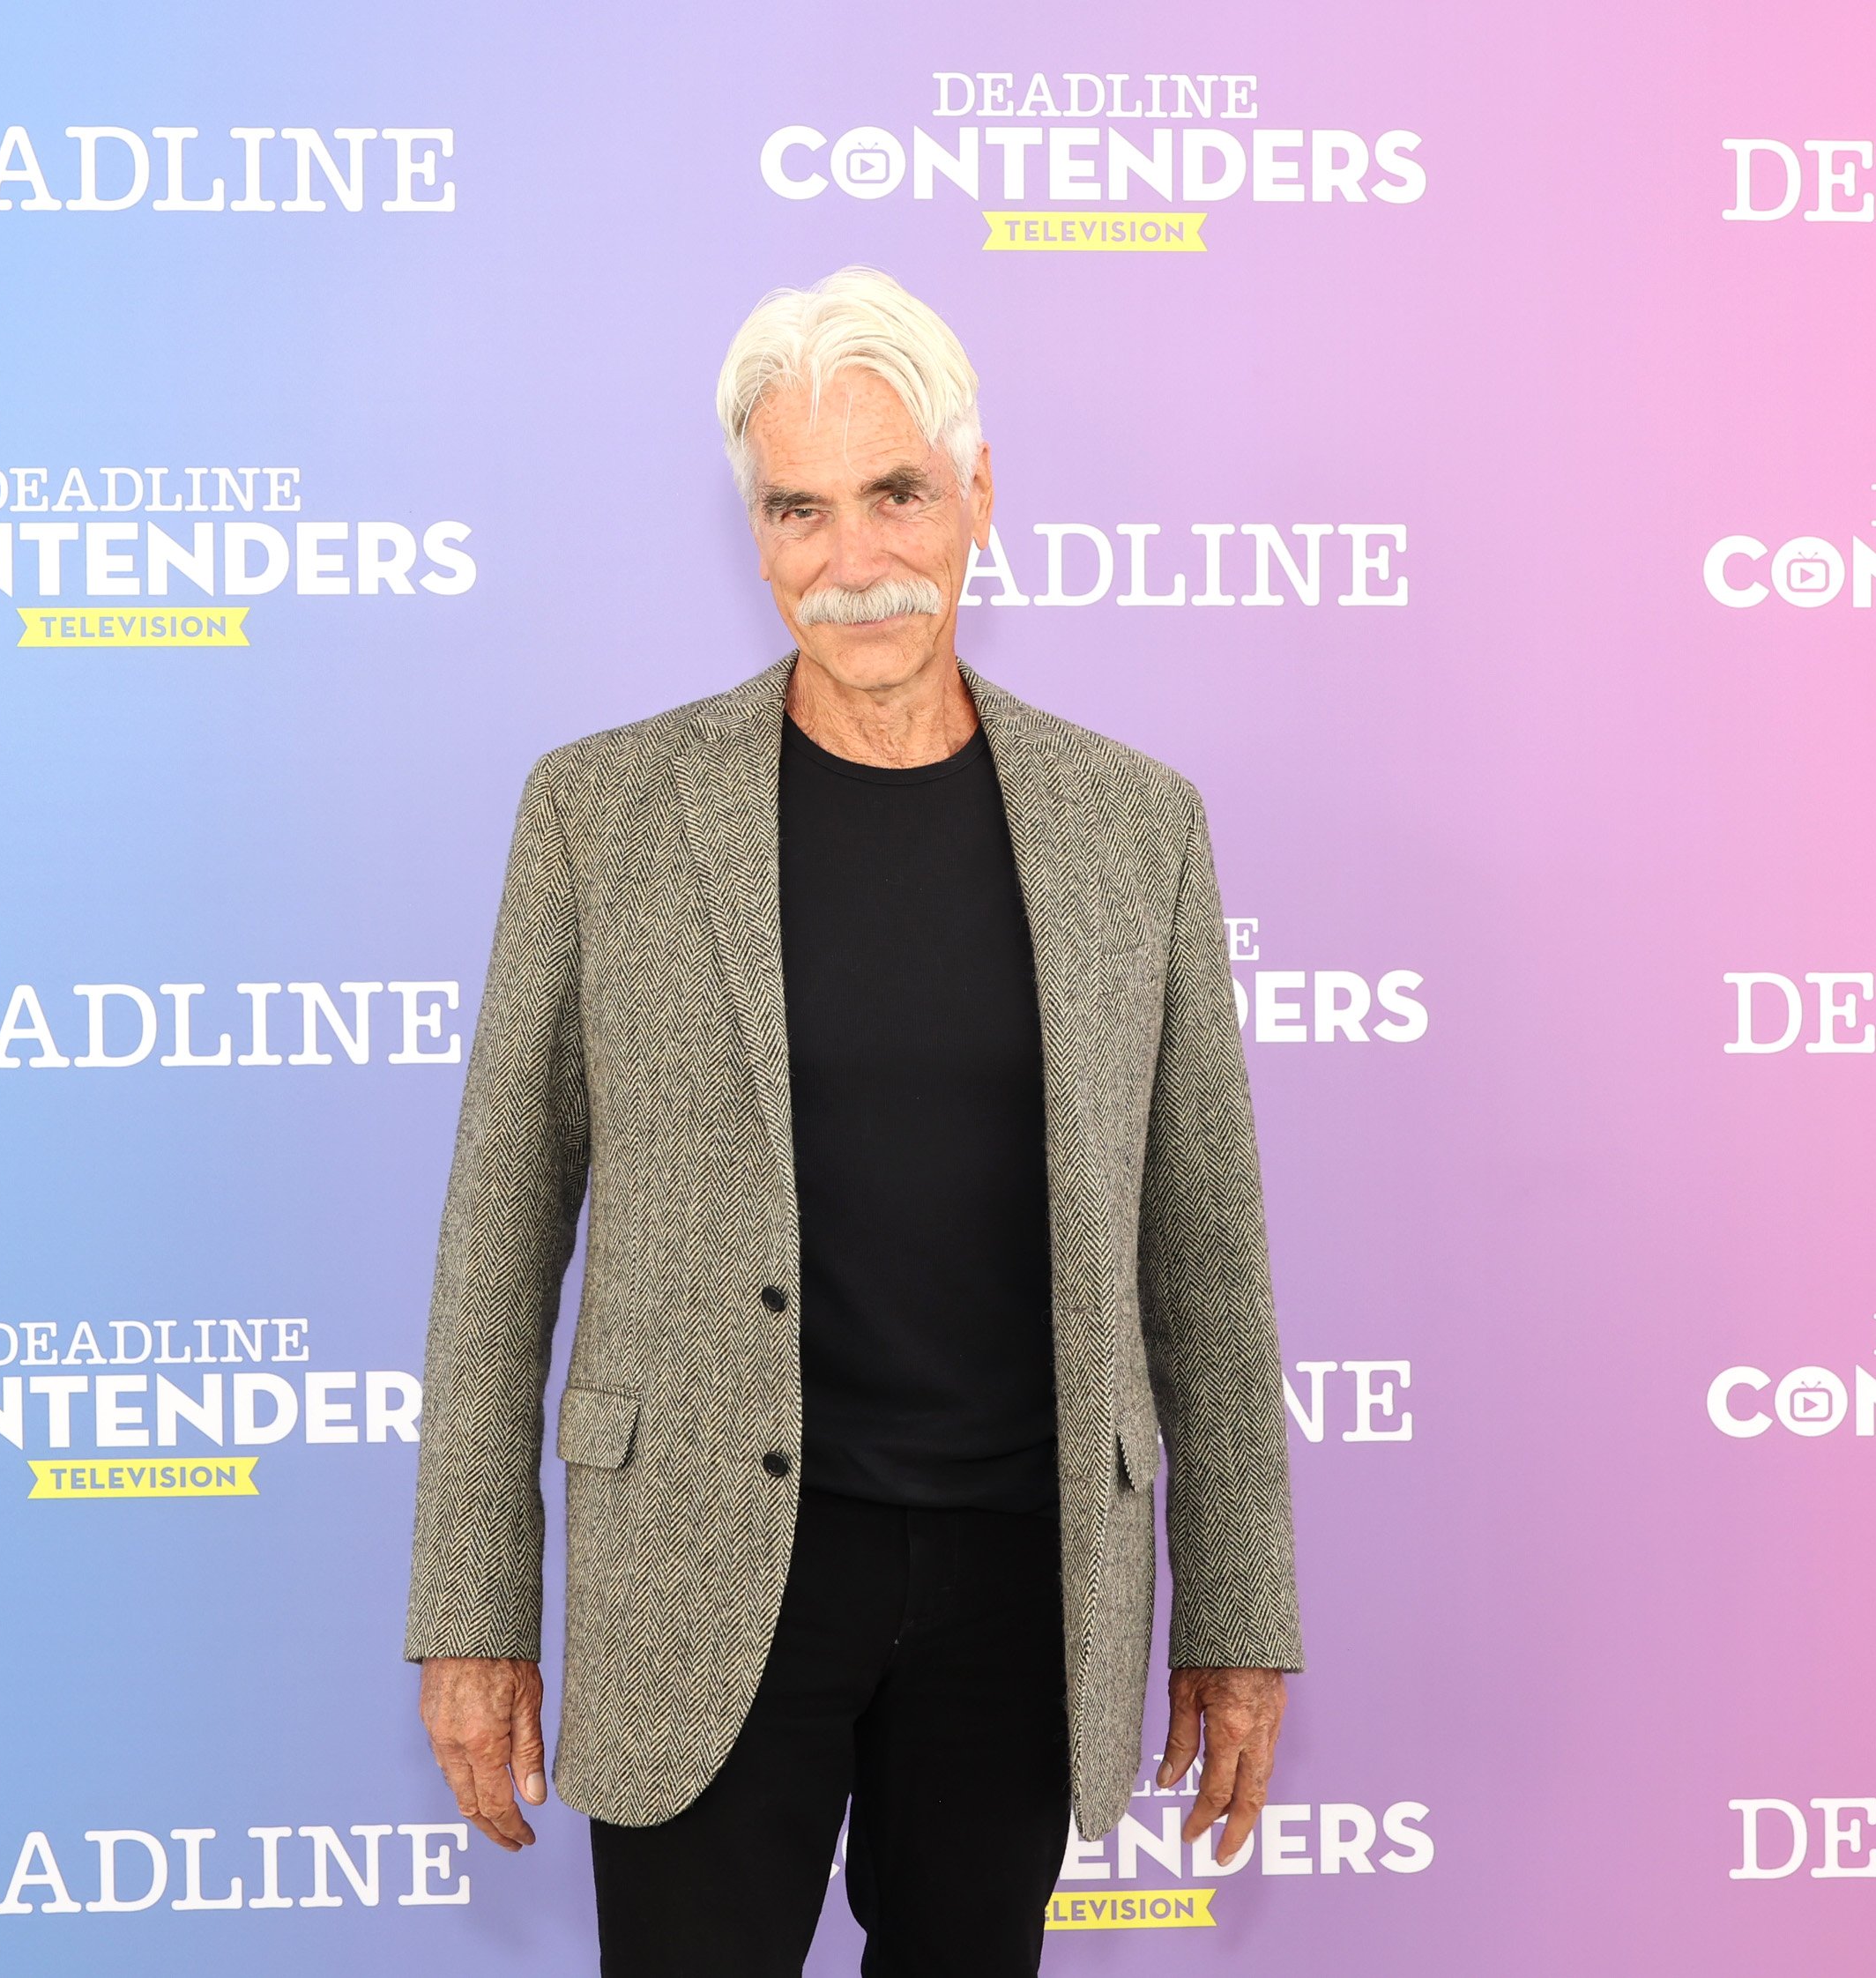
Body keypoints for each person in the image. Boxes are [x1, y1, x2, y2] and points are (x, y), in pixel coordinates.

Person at [406, 265, 1301, 1977]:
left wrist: (1239, 1607)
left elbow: (1205, 1253)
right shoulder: (600, 814)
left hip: (1018, 1586)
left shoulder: (1135, 831)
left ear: (978, 492)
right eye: (796, 508)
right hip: (701, 1572)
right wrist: (471, 1609)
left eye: (895, 490)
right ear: (755, 533)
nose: (851, 553)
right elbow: (495, 1236)